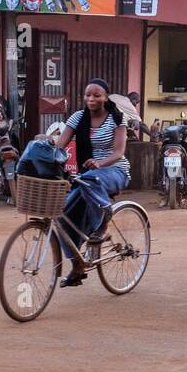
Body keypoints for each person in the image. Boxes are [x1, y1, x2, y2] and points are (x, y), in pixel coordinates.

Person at [54, 79, 130, 287]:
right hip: (87, 175)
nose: (91, 99)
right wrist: (44, 151)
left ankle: (102, 221)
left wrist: (99, 163)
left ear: (105, 98)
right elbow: (60, 146)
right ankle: (77, 265)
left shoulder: (117, 118)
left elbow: (119, 152)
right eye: (88, 95)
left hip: (114, 170)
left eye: (97, 95)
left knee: (90, 177)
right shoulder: (78, 118)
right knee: (62, 217)